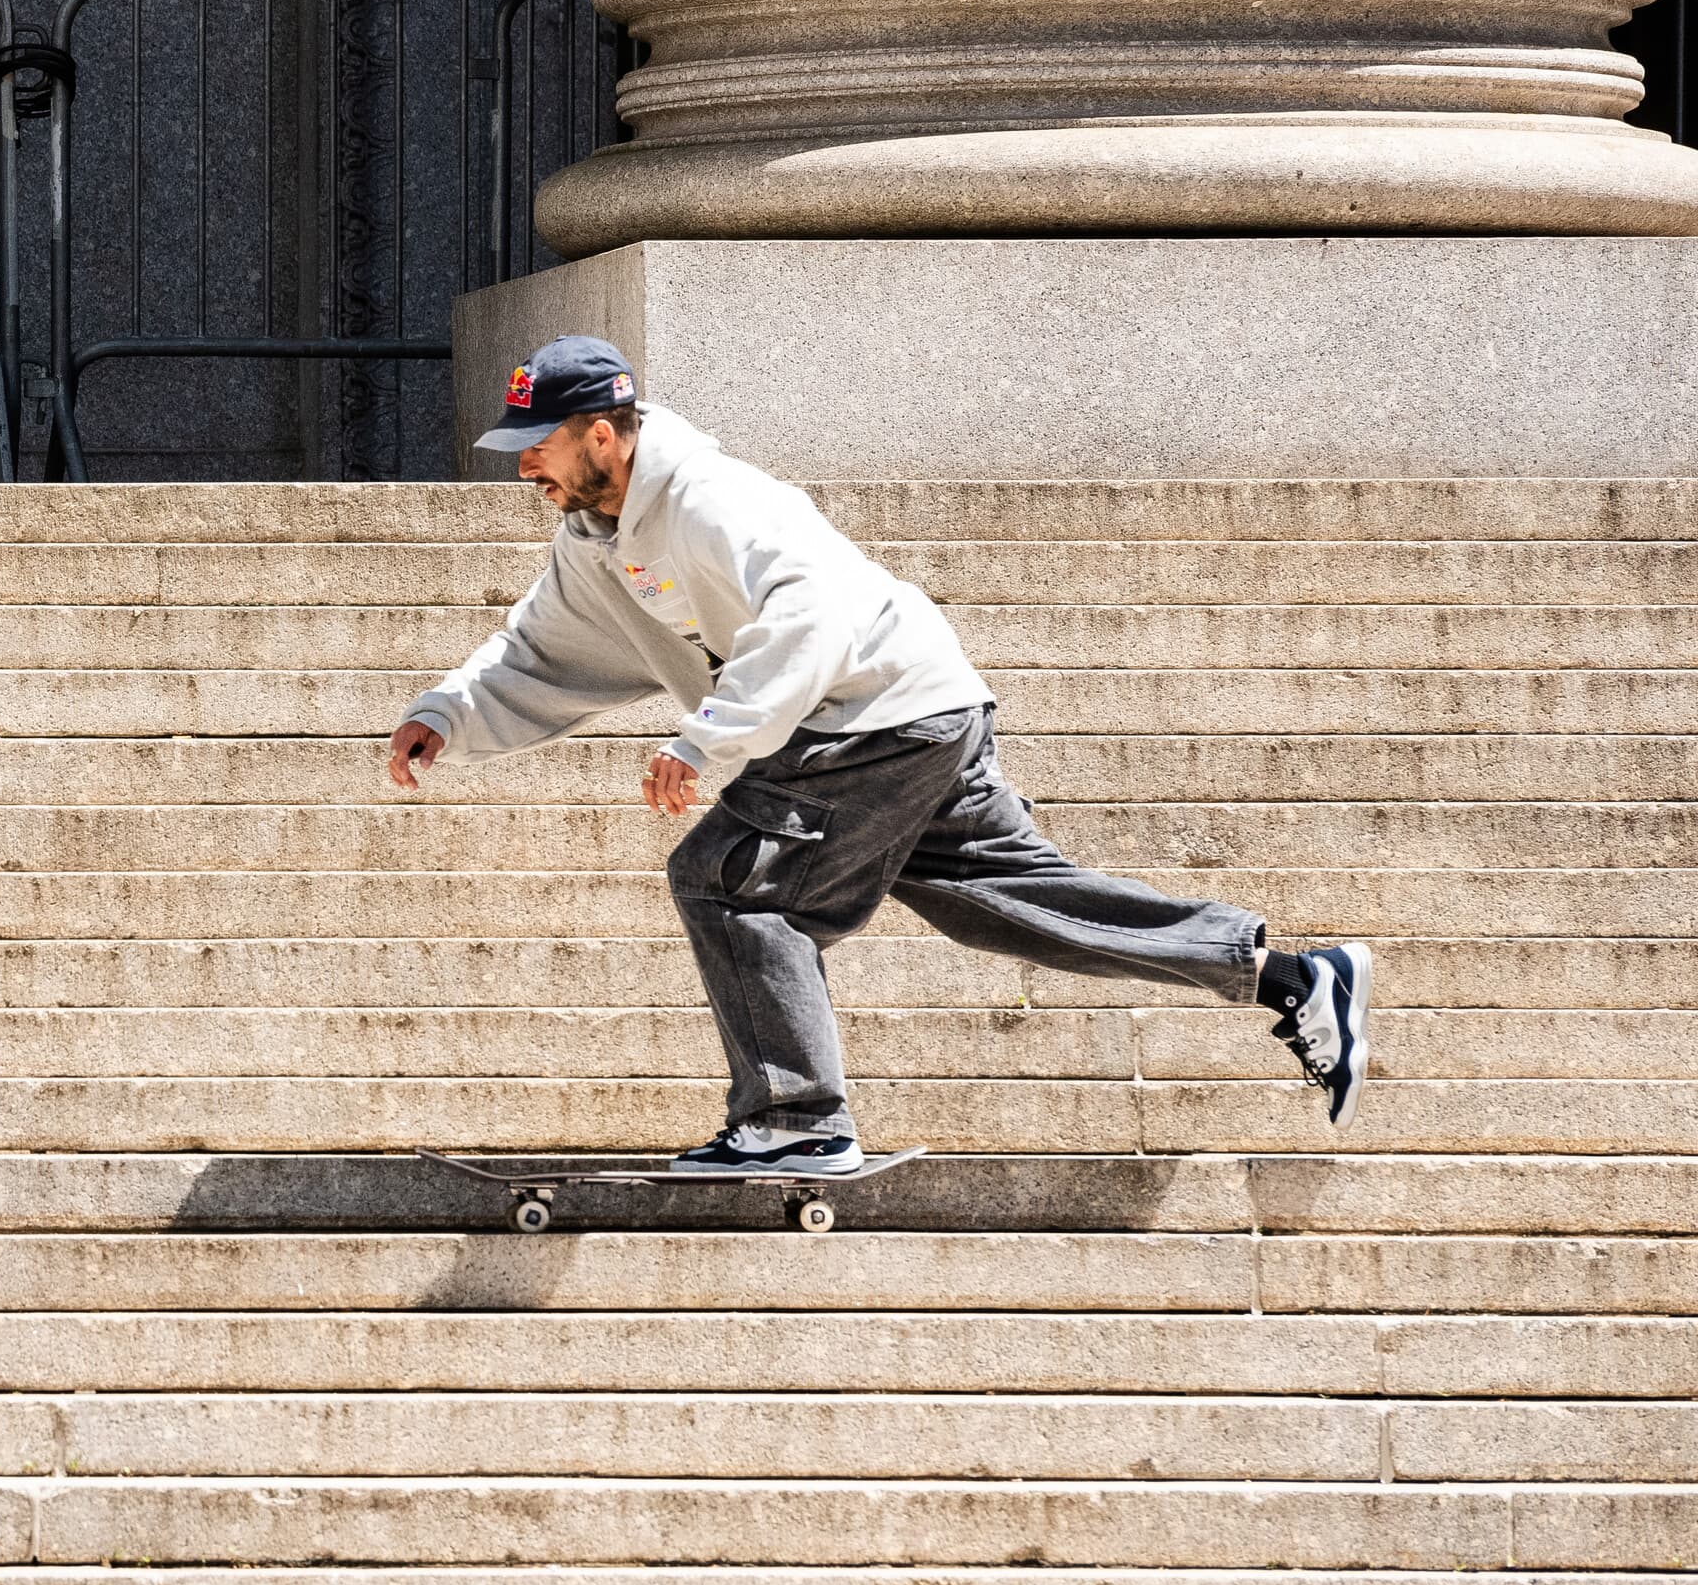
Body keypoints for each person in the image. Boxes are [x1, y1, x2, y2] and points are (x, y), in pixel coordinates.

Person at [384, 333, 1371, 1174]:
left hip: (875, 716)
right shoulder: (597, 535)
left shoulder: (713, 498)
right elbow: (540, 645)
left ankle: (796, 1121)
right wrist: (450, 712)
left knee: (731, 884)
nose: (523, 468)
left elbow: (809, 608)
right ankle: (1287, 977)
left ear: (603, 433)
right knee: (1009, 905)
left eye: (537, 446)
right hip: (918, 707)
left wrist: (710, 738)